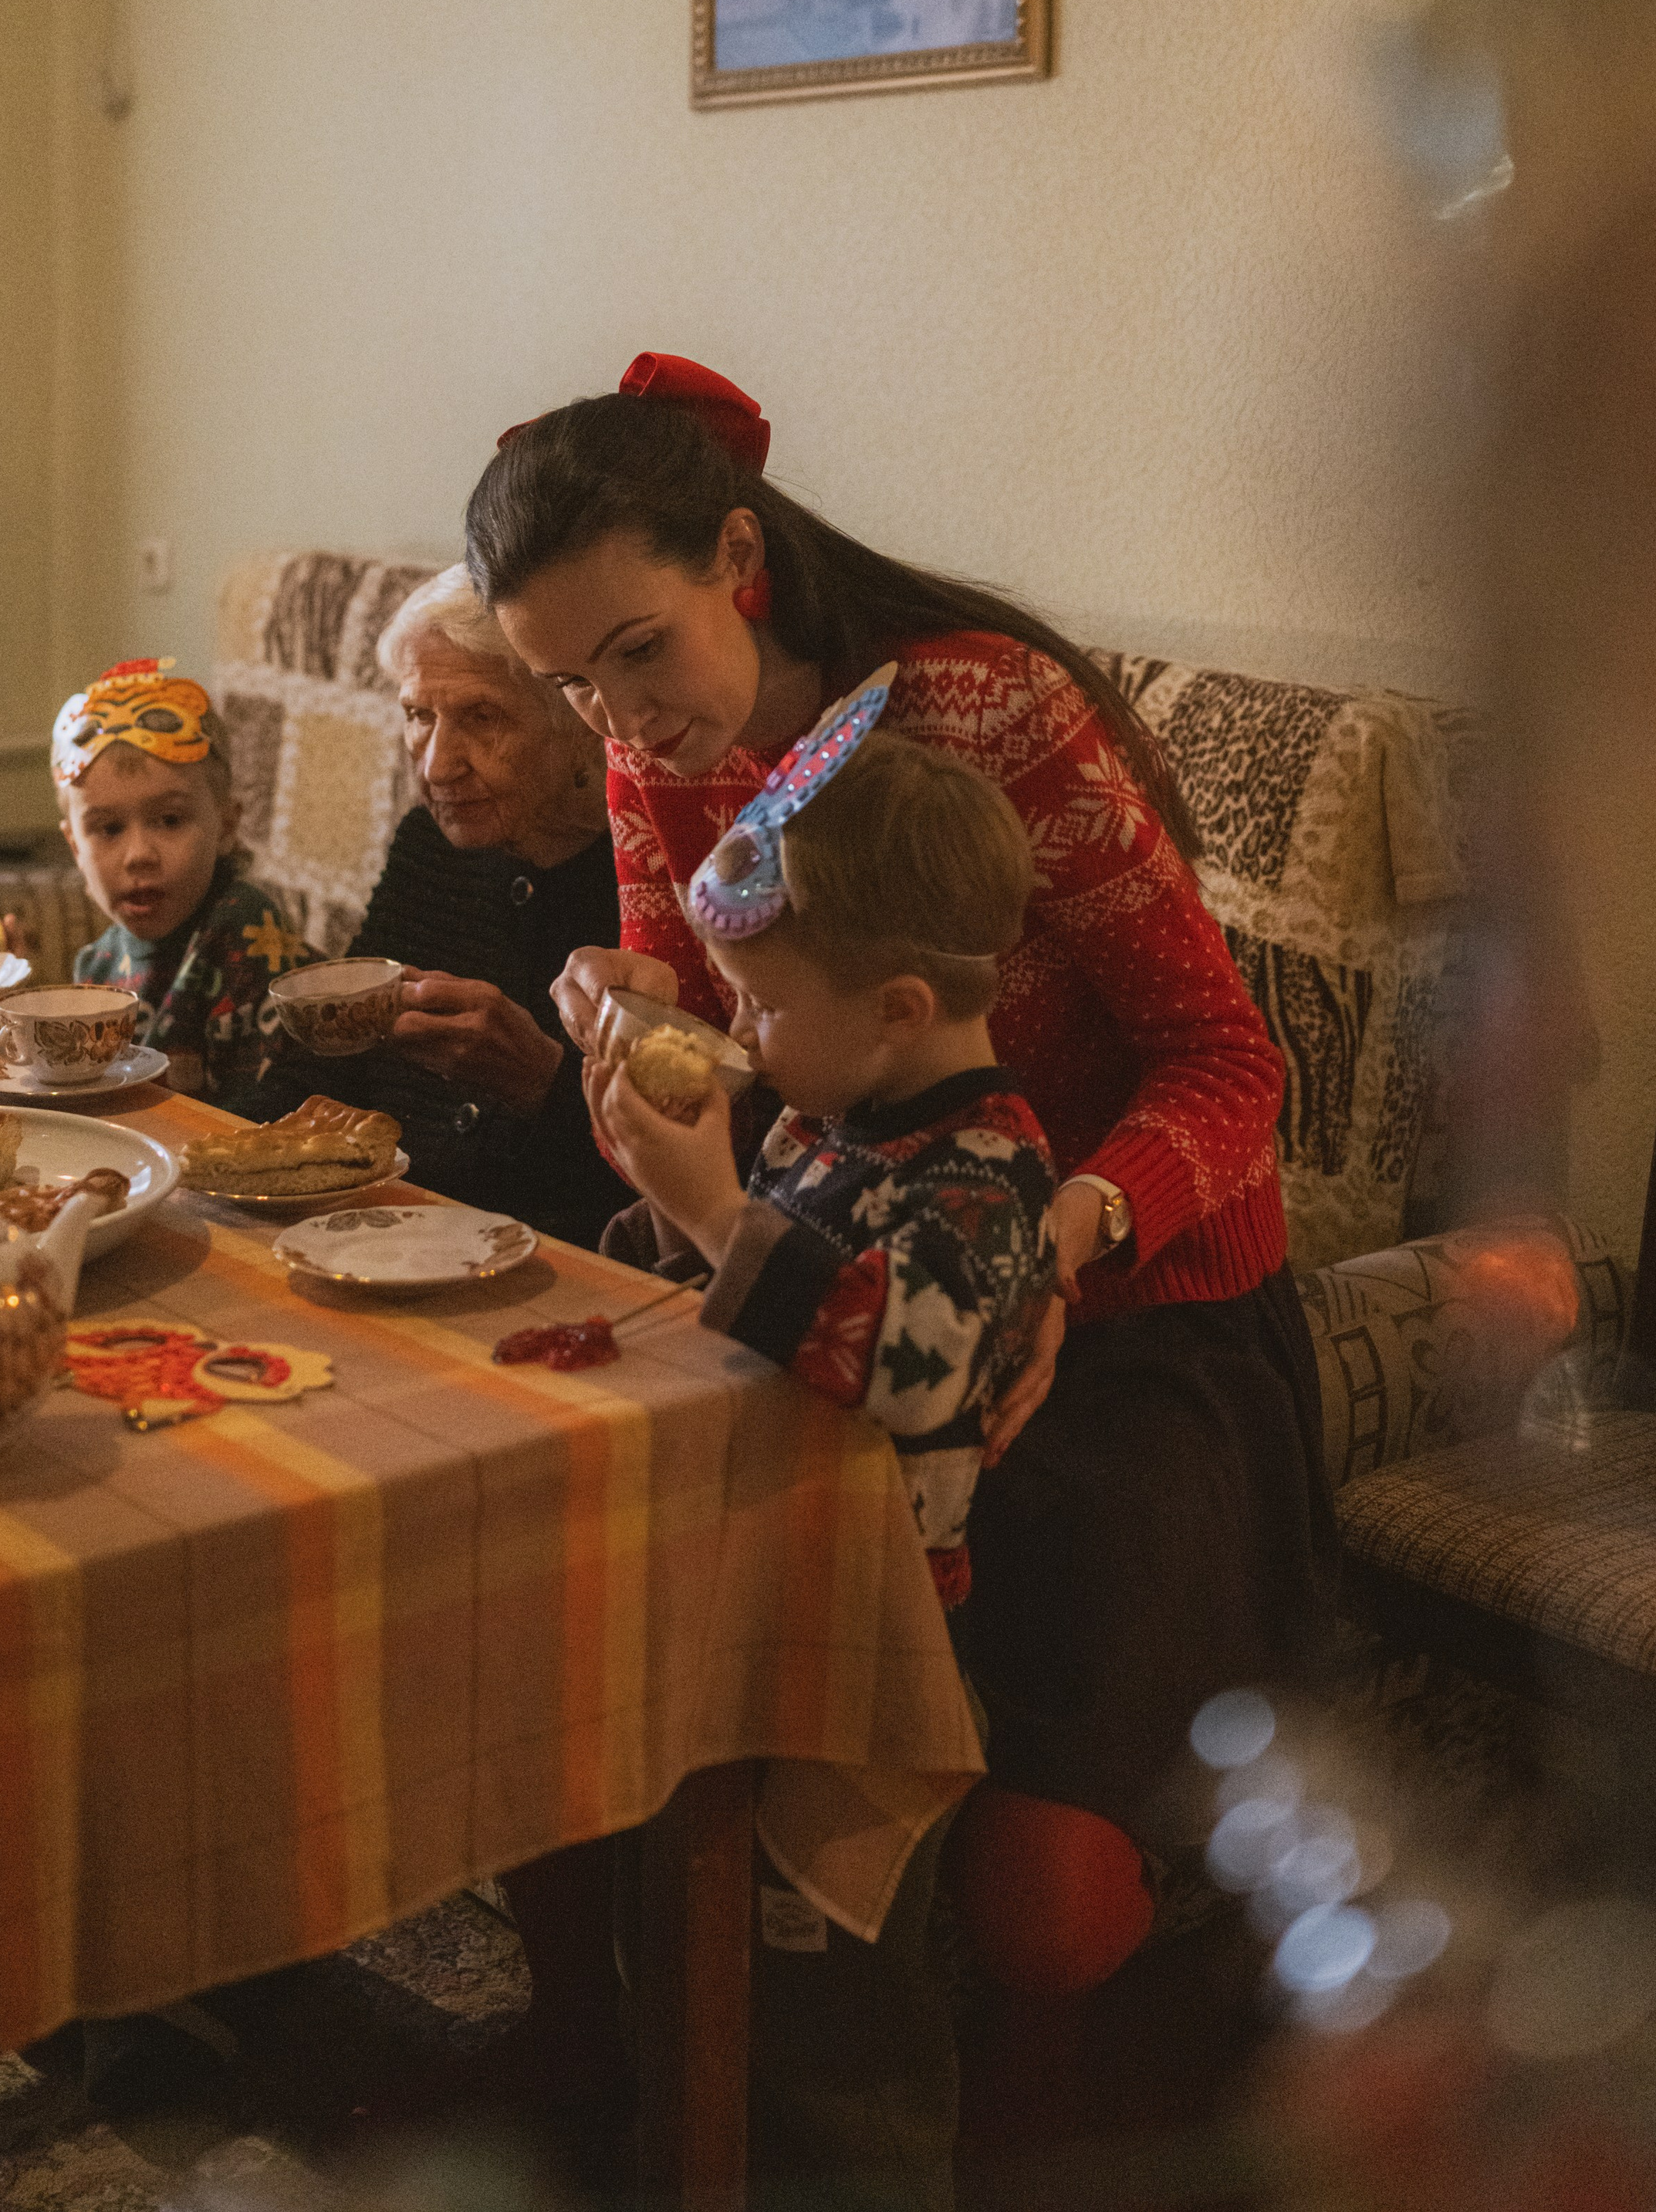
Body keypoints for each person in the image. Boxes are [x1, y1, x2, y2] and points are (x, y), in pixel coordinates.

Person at [463, 353, 1338, 2012]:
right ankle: (615, 2075)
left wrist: (1057, 1250)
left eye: (635, 652)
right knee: (551, 1668)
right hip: (842, 1291)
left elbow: (1230, 1063)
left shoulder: (987, 706)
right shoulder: (658, 760)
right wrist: (633, 1025)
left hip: (1138, 1319)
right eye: (566, 684)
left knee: (1039, 1887)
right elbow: (720, 1049)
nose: (619, 722)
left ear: (737, 555)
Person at [591, 722, 1056, 2212]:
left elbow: (910, 1368)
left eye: (762, 1000)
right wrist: (669, 1215)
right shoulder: (826, 1111)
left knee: (837, 2038)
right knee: (689, 1956)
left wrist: (727, 1217)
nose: (740, 1027)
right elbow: (769, 1320)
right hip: (745, 1602)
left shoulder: (986, 1171)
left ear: (903, 1005)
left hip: (873, 1649)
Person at [260, 567, 634, 1250]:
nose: (436, 766)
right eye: (417, 715)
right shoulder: (429, 845)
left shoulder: (639, 885)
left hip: (537, 1256)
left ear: (579, 725)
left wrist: (545, 1084)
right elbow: (330, 1058)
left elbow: (651, 1197)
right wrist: (219, 1156)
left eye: (481, 717)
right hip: (379, 1227)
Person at [56, 658, 314, 1112]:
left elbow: (266, 1114)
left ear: (227, 826)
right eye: (108, 829)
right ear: (75, 845)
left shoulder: (246, 932)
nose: (139, 855)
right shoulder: (95, 968)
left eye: (170, 820)